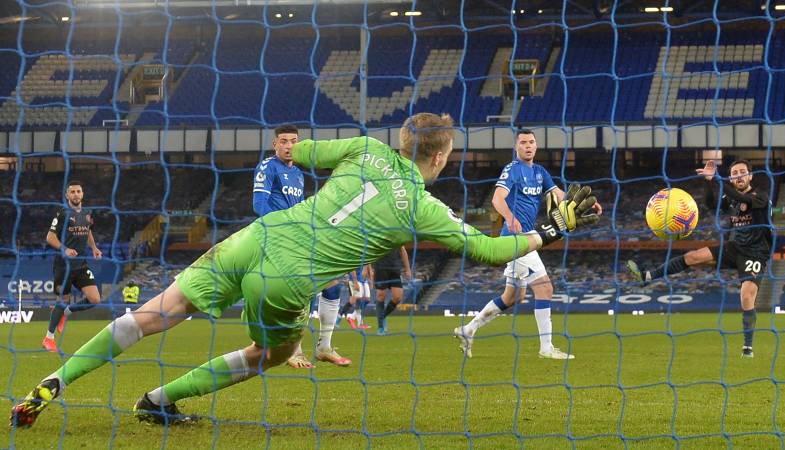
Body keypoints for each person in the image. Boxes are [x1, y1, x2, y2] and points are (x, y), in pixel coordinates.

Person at [10, 112, 597, 428]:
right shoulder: (426, 207)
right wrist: (554, 228)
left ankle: (52, 384)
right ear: (441, 157)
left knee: (153, 314)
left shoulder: (365, 146)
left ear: (399, 138)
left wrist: (316, 156)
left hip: (255, 237)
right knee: (267, 352)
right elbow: (494, 252)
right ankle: (159, 401)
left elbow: (303, 152)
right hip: (288, 277)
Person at [454, 130, 602, 359]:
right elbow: (497, 198)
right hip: (515, 239)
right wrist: (510, 218)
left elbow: (559, 194)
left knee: (512, 297)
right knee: (545, 288)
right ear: (517, 147)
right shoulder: (513, 169)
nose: (528, 146)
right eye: (523, 142)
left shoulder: (540, 172)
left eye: (531, 142)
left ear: (536, 145)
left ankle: (468, 329)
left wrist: (584, 204)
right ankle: (546, 348)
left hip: (527, 236)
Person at [626, 160, 771, 358]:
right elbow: (710, 204)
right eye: (734, 173)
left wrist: (718, 179)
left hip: (755, 252)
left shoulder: (760, 196)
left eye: (742, 172)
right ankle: (648, 276)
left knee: (746, 297)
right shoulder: (731, 197)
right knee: (693, 256)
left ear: (750, 176)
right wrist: (708, 181)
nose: (738, 176)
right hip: (734, 247)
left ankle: (747, 347)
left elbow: (739, 197)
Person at [252, 124, 350, 369]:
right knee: (298, 293)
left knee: (333, 283)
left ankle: (324, 347)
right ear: (275, 144)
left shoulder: (298, 173)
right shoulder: (267, 166)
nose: (288, 146)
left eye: (293, 141)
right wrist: (285, 226)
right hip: (277, 237)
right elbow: (259, 205)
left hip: (298, 236)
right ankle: (292, 351)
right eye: (283, 141)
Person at [42, 180, 103, 352]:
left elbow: (88, 230)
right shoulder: (62, 213)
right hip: (64, 265)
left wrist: (94, 247)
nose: (76, 194)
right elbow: (49, 237)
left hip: (81, 264)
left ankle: (66, 313)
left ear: (82, 194)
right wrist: (65, 248)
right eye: (72, 192)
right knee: (61, 301)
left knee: (95, 299)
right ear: (67, 195)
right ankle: (49, 338)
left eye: (78, 191)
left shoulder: (88, 213)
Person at [374, 247, 412, 335]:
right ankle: (380, 327)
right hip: (380, 268)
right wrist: (366, 268)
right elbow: (369, 250)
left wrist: (408, 269)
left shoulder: (396, 234)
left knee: (398, 297)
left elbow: (403, 250)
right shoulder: (378, 234)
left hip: (394, 268)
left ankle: (382, 316)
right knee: (381, 295)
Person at [339, 265, 372, 329]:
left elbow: (367, 266)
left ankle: (351, 317)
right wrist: (355, 282)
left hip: (363, 280)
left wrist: (369, 276)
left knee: (367, 300)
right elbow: (353, 268)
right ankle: (360, 323)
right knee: (356, 300)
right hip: (355, 280)